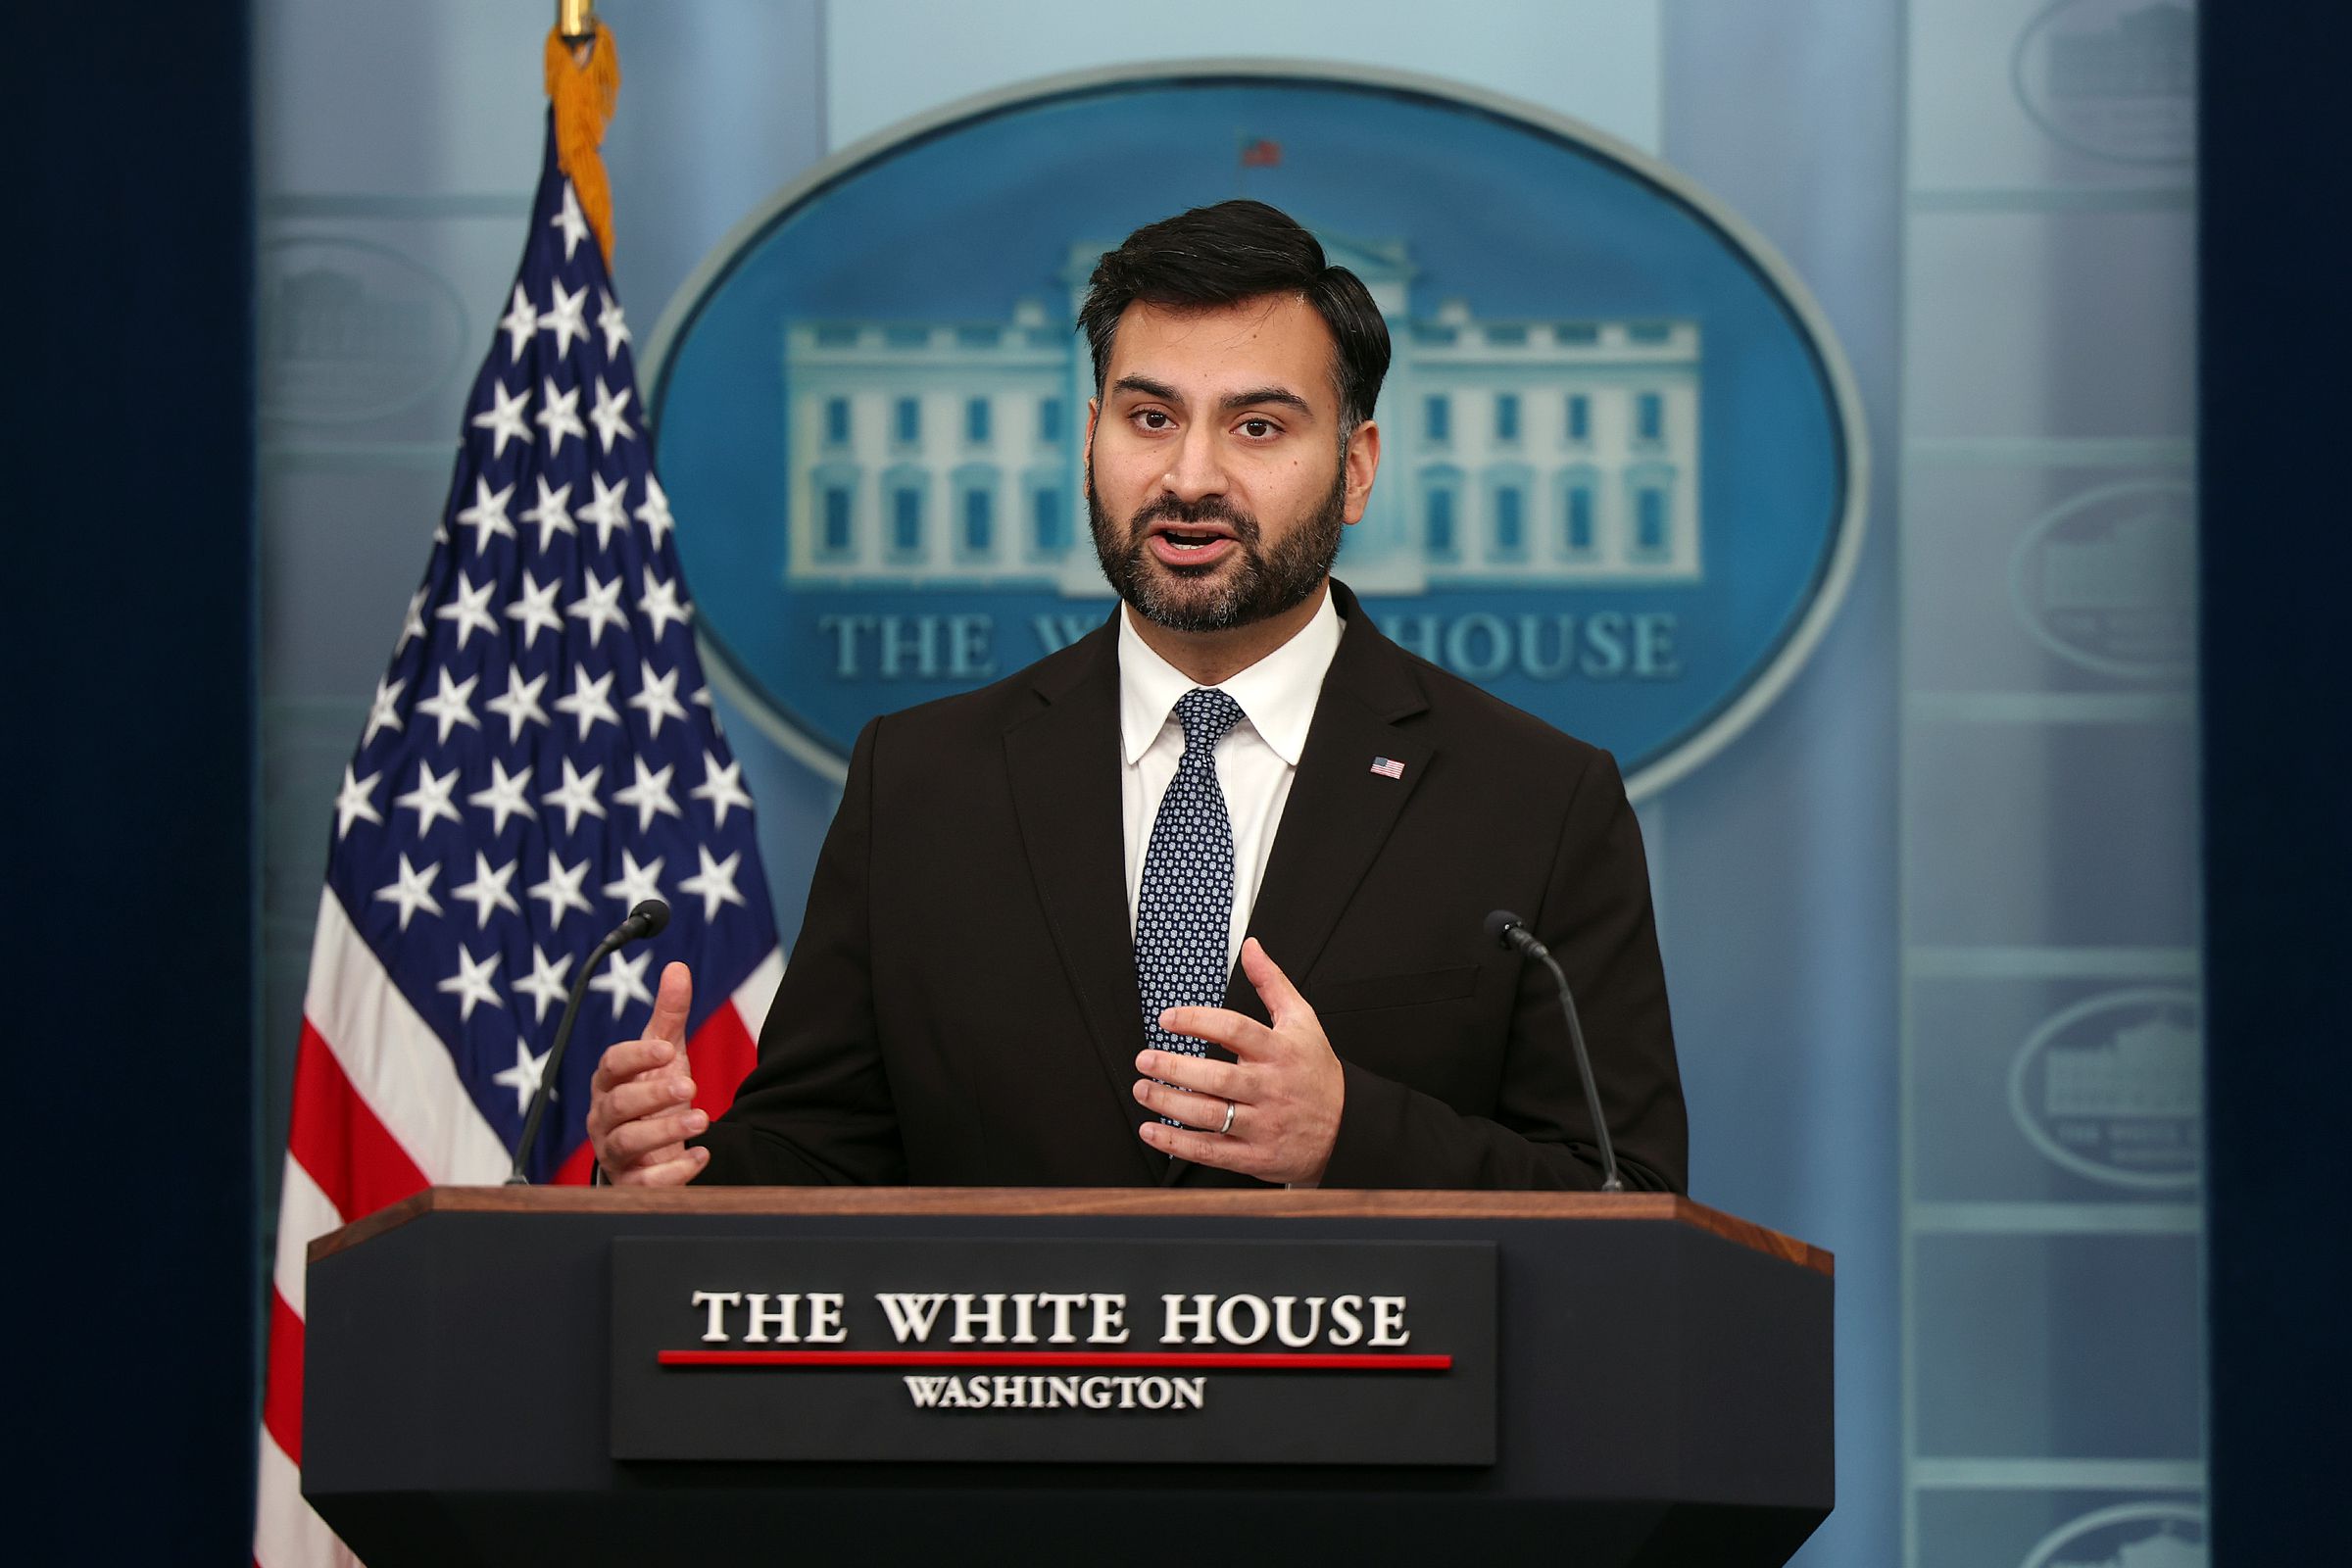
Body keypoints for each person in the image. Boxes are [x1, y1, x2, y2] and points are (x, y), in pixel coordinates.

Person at [588, 200, 1686, 1192]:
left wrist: (1350, 1133)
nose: (1191, 477)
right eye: (1150, 417)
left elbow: (1626, 1195)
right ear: (1089, 440)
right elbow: (819, 1155)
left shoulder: (1535, 803)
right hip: (997, 1415)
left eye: (1258, 427)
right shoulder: (921, 784)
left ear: (1355, 468)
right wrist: (678, 1170)